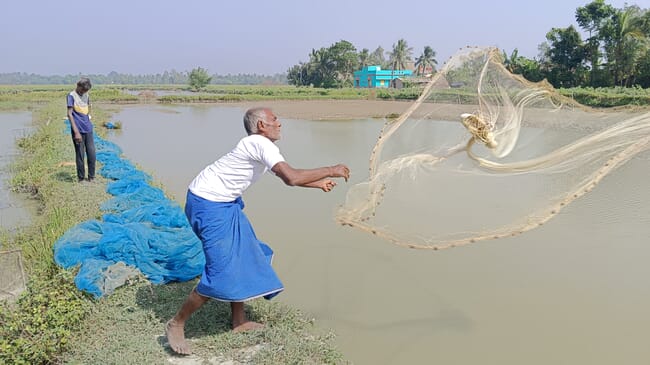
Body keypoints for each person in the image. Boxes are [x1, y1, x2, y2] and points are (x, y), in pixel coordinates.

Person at [165, 107, 350, 355]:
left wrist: (317, 184)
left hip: (224, 204)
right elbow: (291, 177)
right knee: (221, 271)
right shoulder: (260, 144)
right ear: (262, 125)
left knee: (243, 255)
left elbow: (284, 176)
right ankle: (177, 323)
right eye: (275, 120)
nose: (279, 123)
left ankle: (239, 321)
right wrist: (330, 169)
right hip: (208, 205)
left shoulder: (259, 146)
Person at [66, 77, 95, 182]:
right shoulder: (71, 96)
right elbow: (69, 114)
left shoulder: (86, 95)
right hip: (78, 130)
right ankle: (81, 178)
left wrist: (89, 120)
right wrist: (76, 132)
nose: (84, 92)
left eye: (86, 91)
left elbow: (88, 109)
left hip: (88, 128)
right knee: (80, 154)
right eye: (83, 90)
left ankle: (91, 177)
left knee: (92, 153)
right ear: (78, 86)